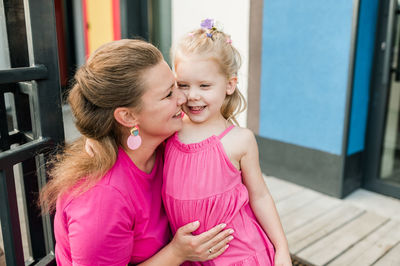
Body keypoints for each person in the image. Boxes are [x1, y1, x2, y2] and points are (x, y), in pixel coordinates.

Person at [39, 39, 234, 265]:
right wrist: (176, 253)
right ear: (128, 117)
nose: (183, 99)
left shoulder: (165, 141)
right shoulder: (101, 200)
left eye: (176, 85)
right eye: (168, 94)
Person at [162, 19, 292, 265]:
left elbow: (260, 196)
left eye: (204, 85)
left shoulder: (239, 140)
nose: (192, 95)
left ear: (229, 85)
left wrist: (282, 248)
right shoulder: (171, 130)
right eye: (183, 85)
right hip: (189, 257)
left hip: (238, 255)